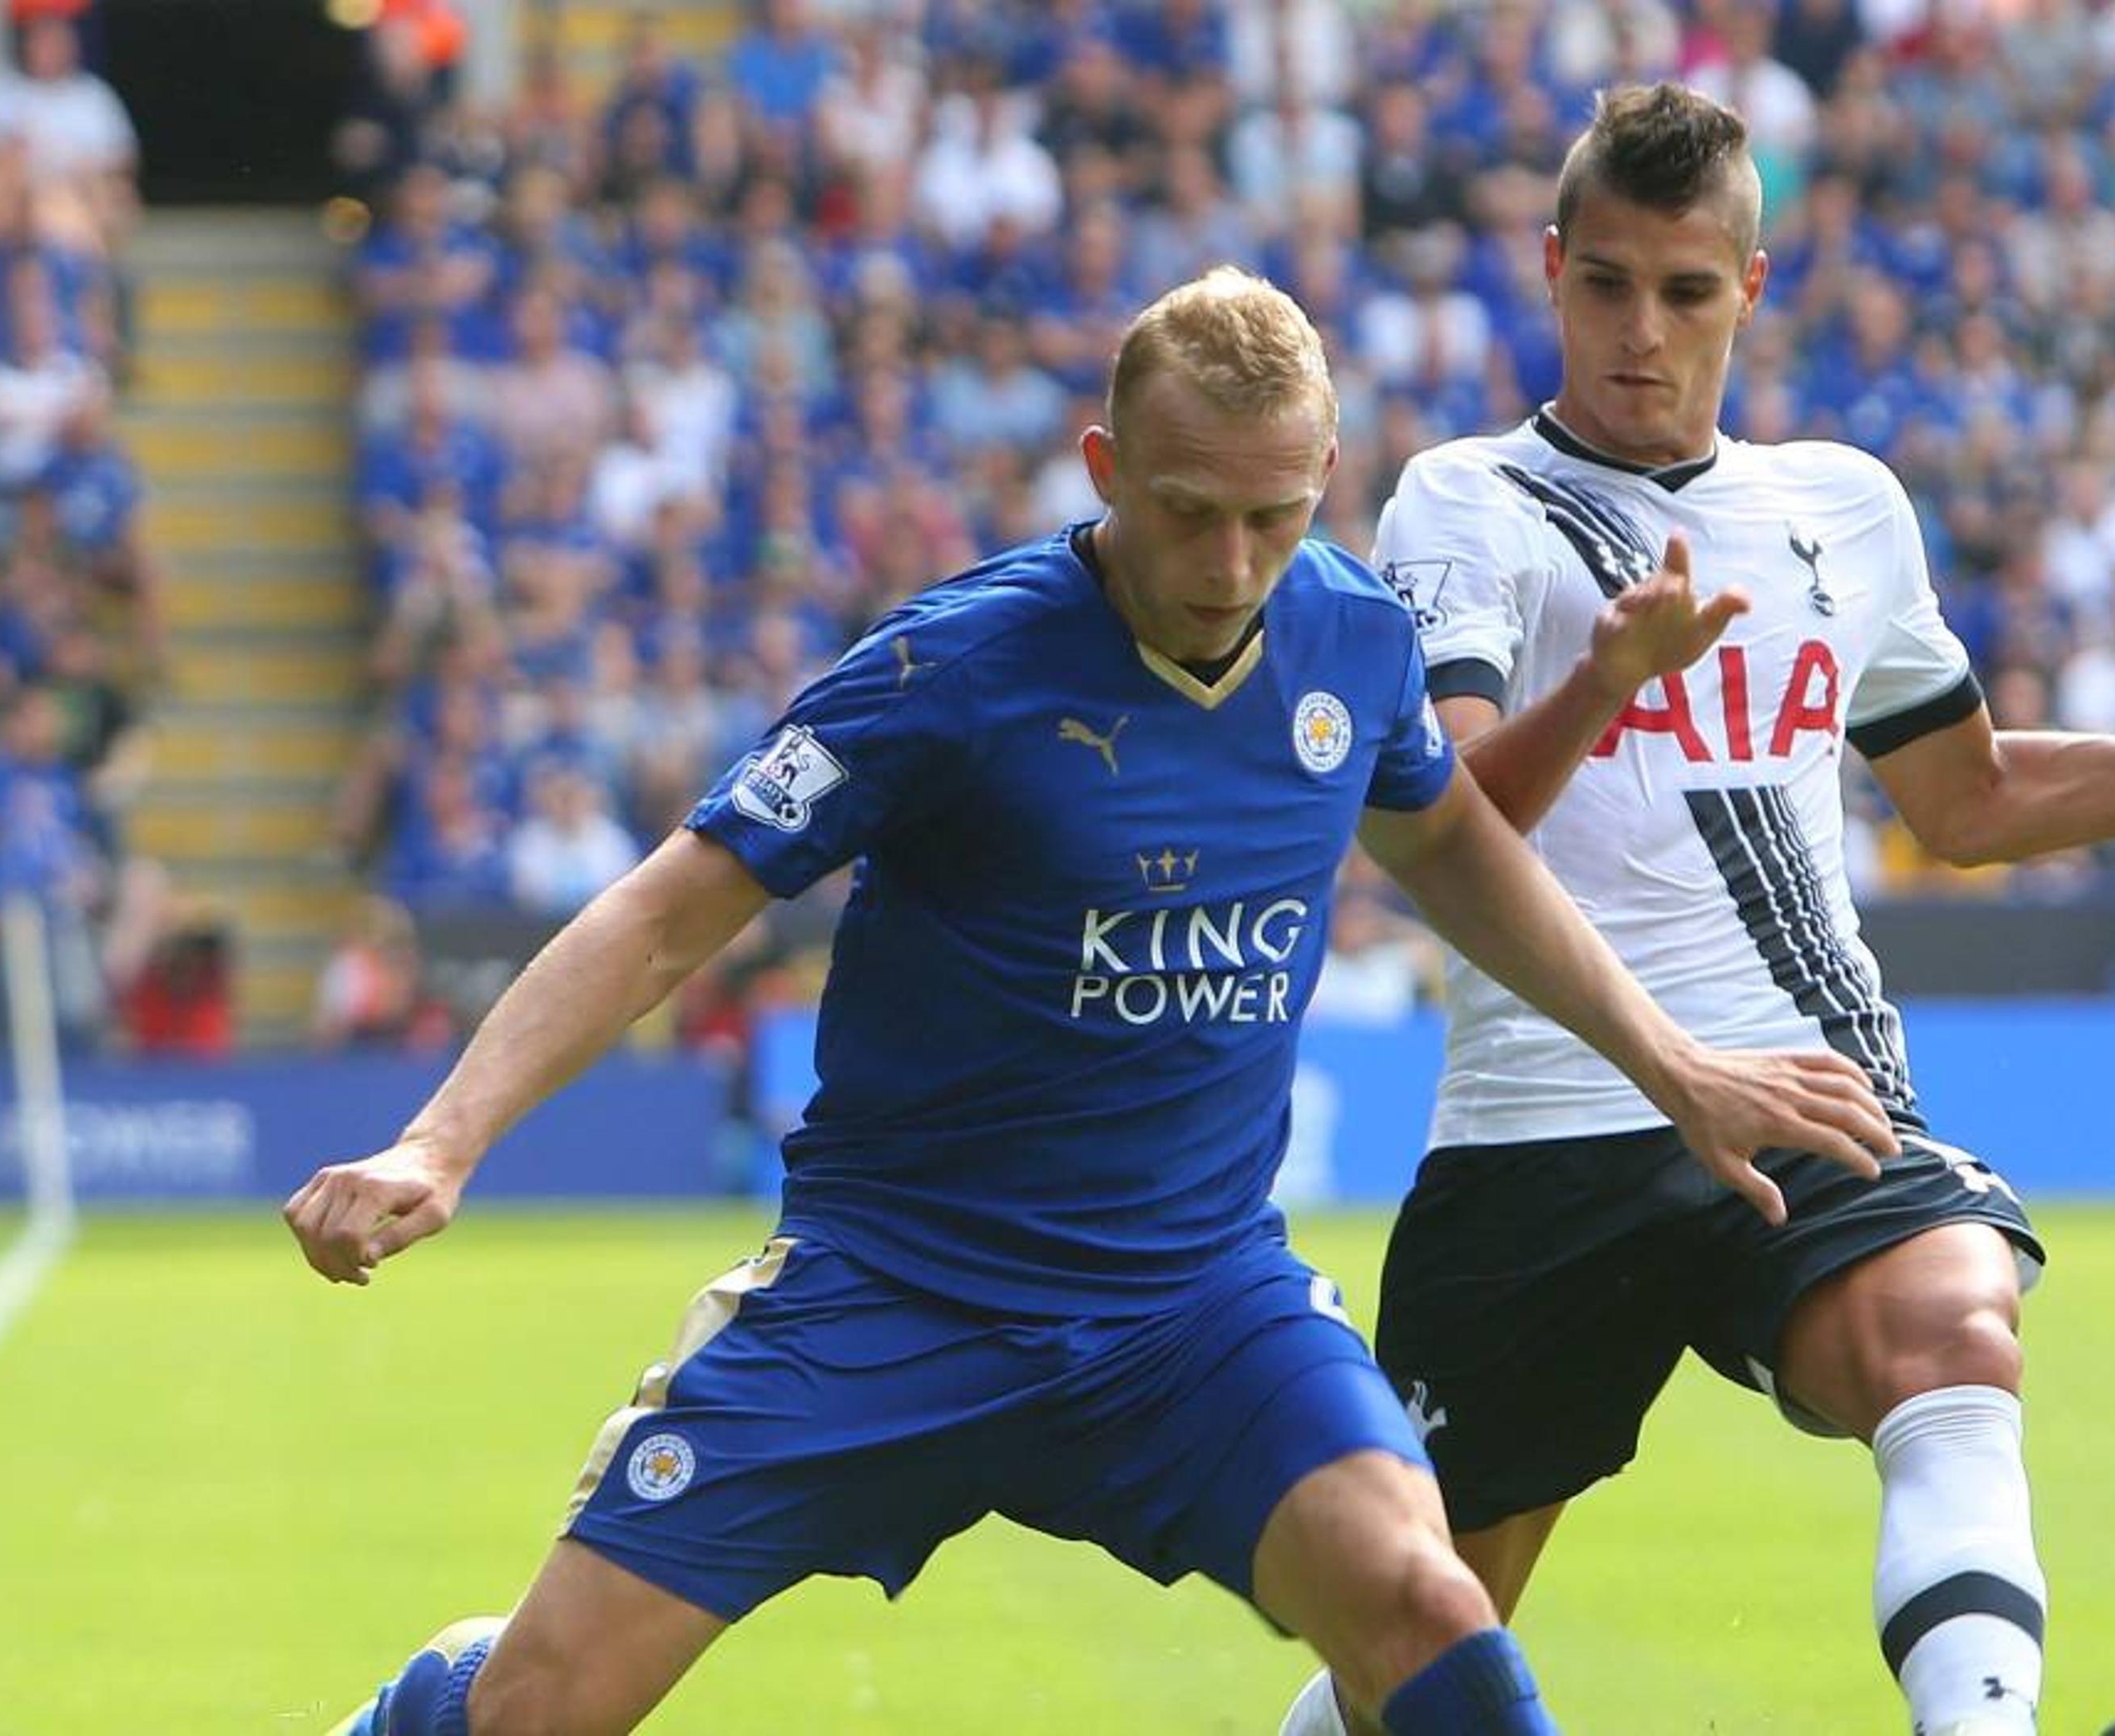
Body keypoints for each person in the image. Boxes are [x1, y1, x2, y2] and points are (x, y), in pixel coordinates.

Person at [286, 268, 1893, 1736]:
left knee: (1423, 1601)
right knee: (535, 1713)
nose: (1232, 563)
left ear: (1323, 474)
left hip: (1190, 1314)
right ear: (1105, 467)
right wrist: (443, 1142)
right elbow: (664, 912)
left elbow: (1460, 849)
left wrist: (1674, 1063)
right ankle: (437, 1701)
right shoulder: (954, 670)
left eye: (1274, 515)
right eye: (1190, 512)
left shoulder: (1347, 636)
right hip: (895, 1297)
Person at [1281, 86, 2115, 1736]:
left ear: (1753, 289)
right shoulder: (1468, 505)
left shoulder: (1838, 511)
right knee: (1422, 1645)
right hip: (1550, 1127)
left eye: (1687, 291)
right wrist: (1606, 686)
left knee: (1953, 1339)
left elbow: (1972, 798)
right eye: (1609, 286)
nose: (1644, 332)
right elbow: (1448, 834)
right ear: (1554, 274)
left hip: (1807, 1089)